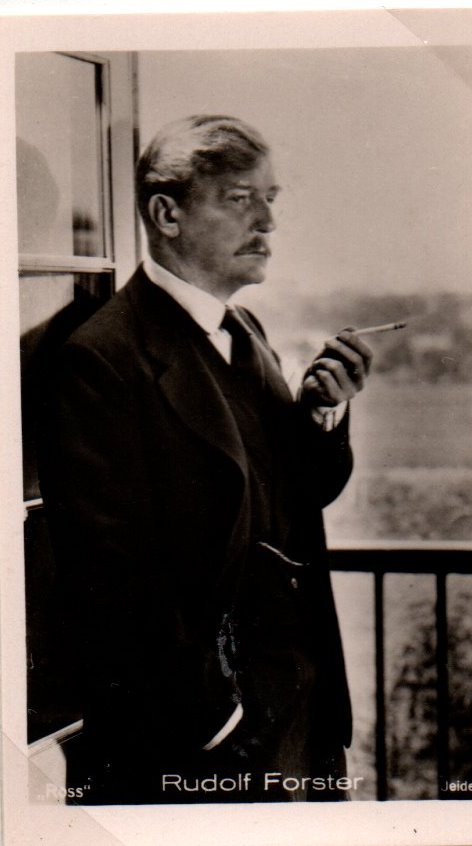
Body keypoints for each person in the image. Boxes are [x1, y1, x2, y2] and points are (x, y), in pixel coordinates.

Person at [39, 115, 372, 804]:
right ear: (167, 214)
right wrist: (218, 720)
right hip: (199, 738)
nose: (268, 223)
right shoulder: (101, 359)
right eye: (240, 199)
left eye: (269, 199)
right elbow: (110, 577)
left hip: (300, 714)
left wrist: (321, 414)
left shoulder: (245, 330)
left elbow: (296, 496)